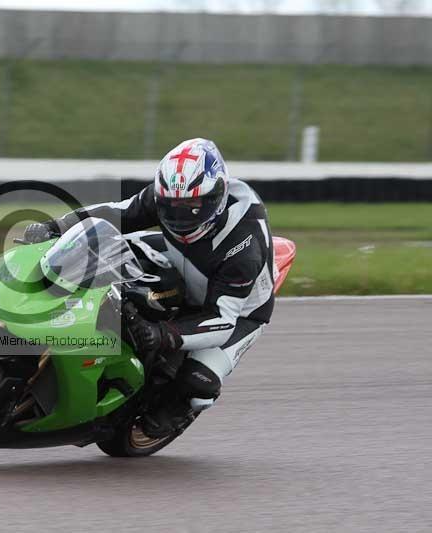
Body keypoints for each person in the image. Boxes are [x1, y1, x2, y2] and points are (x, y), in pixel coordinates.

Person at [23, 138, 275, 438]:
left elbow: (223, 319)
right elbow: (118, 213)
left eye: (192, 208)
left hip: (237, 310)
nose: (180, 216)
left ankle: (179, 407)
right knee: (93, 252)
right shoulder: (170, 194)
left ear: (216, 197)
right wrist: (58, 226)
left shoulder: (243, 249)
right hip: (179, 259)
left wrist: (164, 334)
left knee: (197, 383)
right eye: (171, 207)